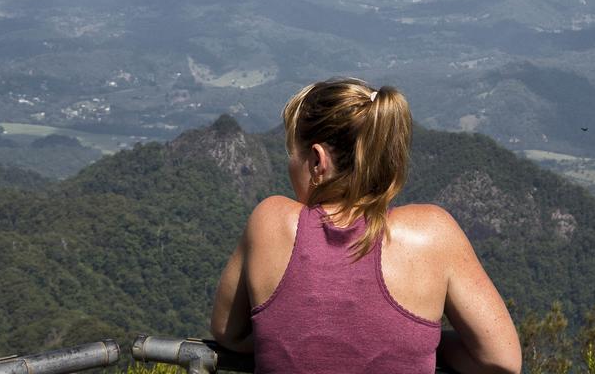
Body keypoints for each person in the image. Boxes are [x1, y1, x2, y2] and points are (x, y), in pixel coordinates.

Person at [211, 78, 521, 374]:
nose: (290, 165)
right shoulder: (432, 235)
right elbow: (501, 360)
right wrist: (419, 342)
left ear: (318, 162)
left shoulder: (269, 222)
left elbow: (228, 332)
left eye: (293, 154)